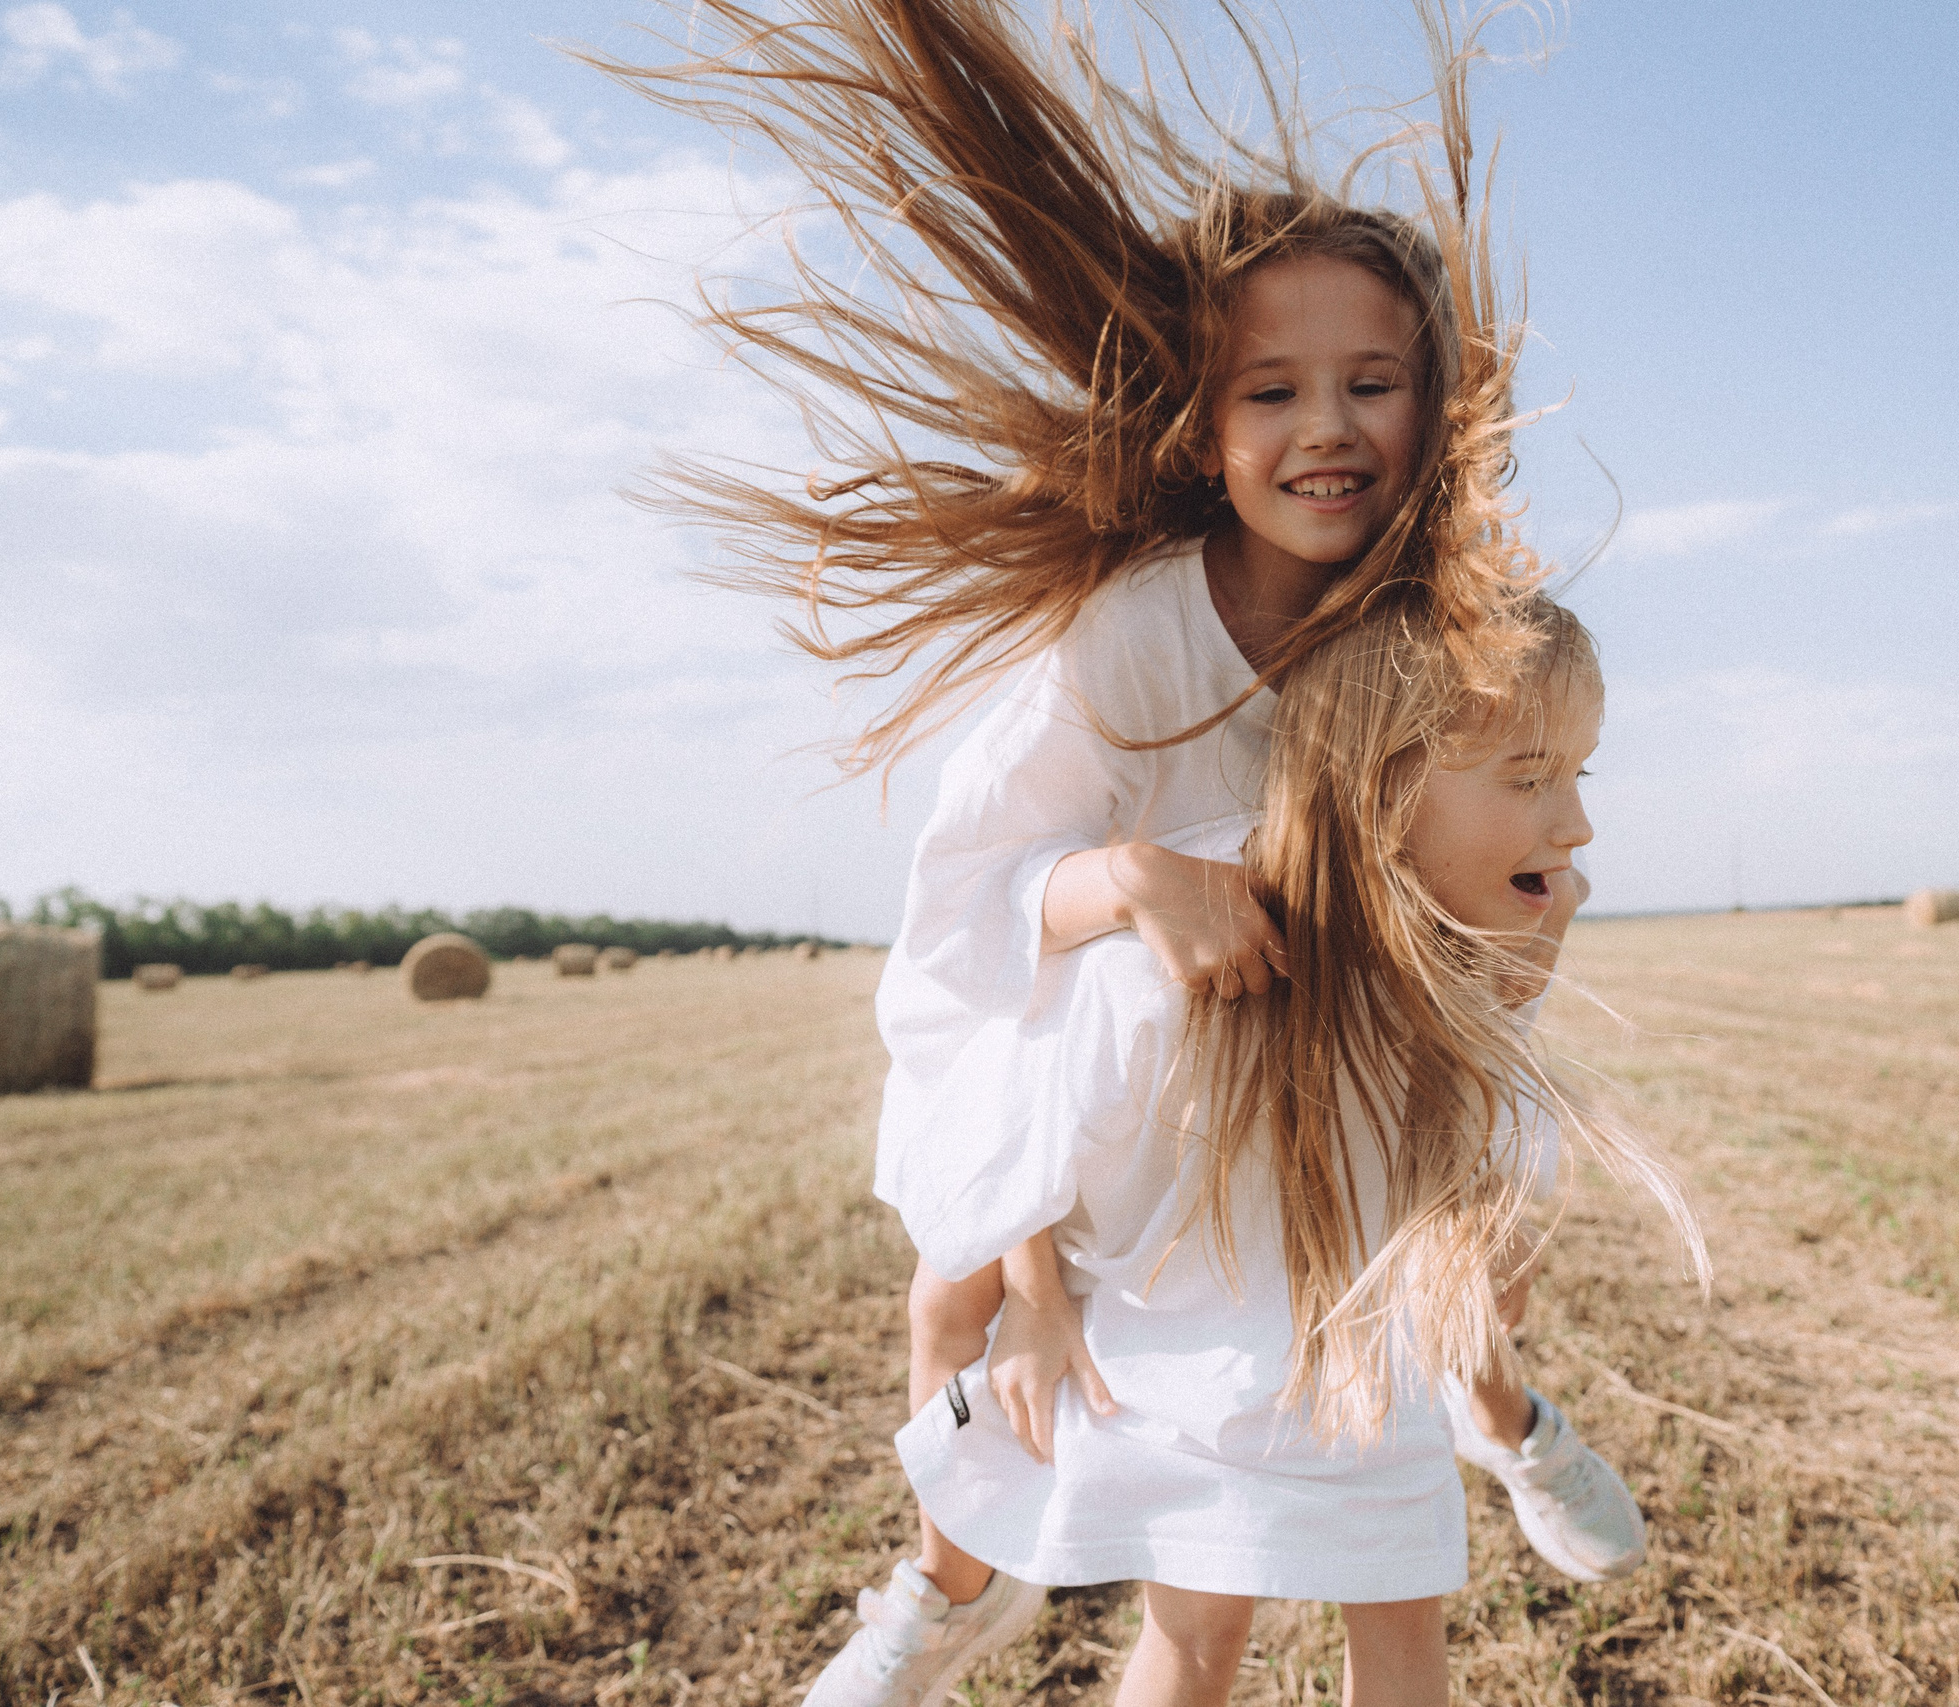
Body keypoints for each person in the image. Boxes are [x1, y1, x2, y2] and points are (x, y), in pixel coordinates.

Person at [590, 2, 1668, 1698]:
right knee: (972, 1324)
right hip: (1115, 1053)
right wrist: (1140, 887)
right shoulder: (1130, 640)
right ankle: (940, 1590)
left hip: (1352, 1047)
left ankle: (1505, 1417)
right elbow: (984, 915)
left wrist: (1515, 926)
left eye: (1371, 381)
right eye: (1275, 387)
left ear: (1428, 400)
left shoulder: (1429, 618)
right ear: (1199, 417)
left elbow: (1516, 831)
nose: (1329, 424)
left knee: (1445, 1282)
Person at [895, 596, 1707, 1707]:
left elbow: (1487, 1114)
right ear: (1379, 787)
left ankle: (1511, 1425)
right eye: (1527, 779)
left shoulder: (1504, 934)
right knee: (1193, 1642)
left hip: (1371, 1349)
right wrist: (1033, 1295)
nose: (1576, 825)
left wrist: (1497, 1229)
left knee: (1400, 1623)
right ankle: (936, 1600)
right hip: (1206, 1363)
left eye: (1579, 774)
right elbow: (1021, 1114)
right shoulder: (1170, 957)